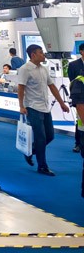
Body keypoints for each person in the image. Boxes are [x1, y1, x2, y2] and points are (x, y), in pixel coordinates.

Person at [17, 44, 70, 176]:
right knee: (40, 137)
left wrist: (61, 103)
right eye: (41, 53)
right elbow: (21, 88)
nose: (43, 55)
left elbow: (52, 86)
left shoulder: (43, 69)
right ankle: (42, 166)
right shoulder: (25, 69)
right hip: (32, 107)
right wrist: (21, 106)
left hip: (45, 107)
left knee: (50, 136)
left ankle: (30, 151)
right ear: (33, 55)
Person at [69, 43, 83, 154]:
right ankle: (78, 143)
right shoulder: (73, 65)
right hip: (80, 98)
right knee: (80, 121)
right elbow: (72, 81)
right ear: (81, 51)